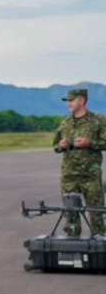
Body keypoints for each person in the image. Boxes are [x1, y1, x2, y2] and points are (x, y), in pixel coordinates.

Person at [53, 89, 106, 236]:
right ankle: (73, 249)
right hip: (69, 176)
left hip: (90, 176)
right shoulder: (65, 122)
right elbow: (55, 145)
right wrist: (61, 146)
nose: (68, 103)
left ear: (82, 100)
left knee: (97, 214)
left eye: (71, 100)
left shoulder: (98, 120)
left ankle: (99, 249)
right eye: (67, 101)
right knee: (71, 216)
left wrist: (90, 143)